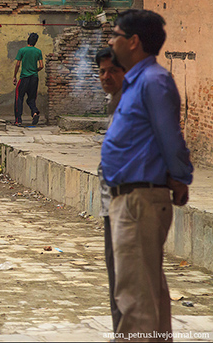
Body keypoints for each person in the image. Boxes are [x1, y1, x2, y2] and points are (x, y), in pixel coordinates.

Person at [102, 10, 193, 341]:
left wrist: (180, 177)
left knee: (136, 301)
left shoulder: (153, 81)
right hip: (130, 197)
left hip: (139, 200)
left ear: (133, 41)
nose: (111, 41)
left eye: (115, 35)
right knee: (147, 294)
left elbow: (171, 137)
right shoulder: (136, 81)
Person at [95, 47, 125, 333]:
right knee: (116, 277)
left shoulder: (135, 105)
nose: (106, 77)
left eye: (112, 71)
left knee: (130, 280)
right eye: (102, 71)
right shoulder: (114, 104)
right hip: (111, 203)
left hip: (129, 204)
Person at [13, 33, 44, 126]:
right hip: (34, 78)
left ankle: (18, 120)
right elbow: (41, 66)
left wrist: (14, 76)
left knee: (19, 98)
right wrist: (35, 70)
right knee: (31, 99)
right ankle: (35, 112)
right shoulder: (38, 51)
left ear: (28, 40)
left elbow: (18, 64)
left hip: (24, 78)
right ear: (35, 42)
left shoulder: (22, 50)